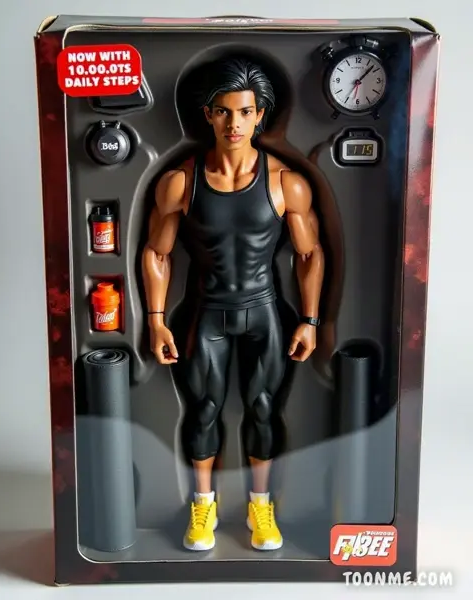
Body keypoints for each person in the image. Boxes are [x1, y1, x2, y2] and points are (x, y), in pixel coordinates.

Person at [142, 57, 324, 552]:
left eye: (245, 112)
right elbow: (157, 253)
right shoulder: (181, 182)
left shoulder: (286, 183)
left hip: (264, 311)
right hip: (206, 313)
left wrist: (309, 320)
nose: (234, 123)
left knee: (263, 410)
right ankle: (203, 507)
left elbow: (309, 255)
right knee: (203, 410)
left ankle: (260, 508)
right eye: (223, 111)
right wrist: (156, 321)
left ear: (260, 115)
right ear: (208, 114)